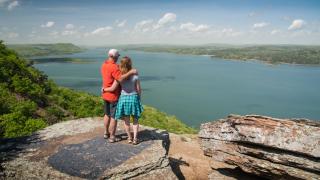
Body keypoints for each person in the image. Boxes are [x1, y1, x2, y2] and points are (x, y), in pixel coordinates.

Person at [103, 56, 143, 145]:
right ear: (130, 64)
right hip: (134, 98)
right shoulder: (135, 76)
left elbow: (113, 88)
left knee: (127, 121)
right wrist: (139, 98)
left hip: (124, 99)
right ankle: (135, 139)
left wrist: (104, 89)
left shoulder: (119, 77)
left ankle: (129, 138)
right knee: (135, 120)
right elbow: (139, 89)